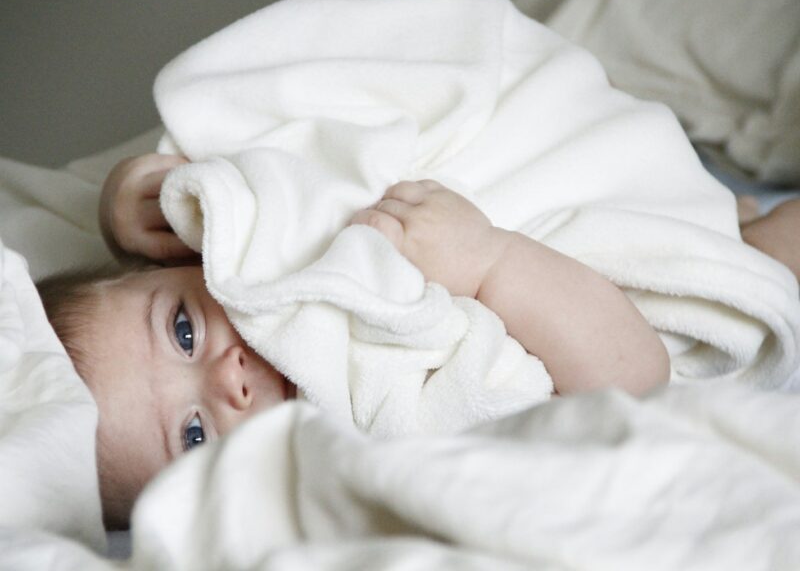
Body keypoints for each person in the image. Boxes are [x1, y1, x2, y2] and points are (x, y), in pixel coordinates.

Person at [37, 154, 799, 528]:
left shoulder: (269, 252)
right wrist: (490, 260)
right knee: (766, 258)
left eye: (181, 330)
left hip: (586, 204)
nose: (228, 380)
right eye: (195, 434)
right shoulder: (371, 436)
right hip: (620, 308)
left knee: (713, 219)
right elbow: (634, 382)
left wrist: (133, 200)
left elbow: (254, 169)